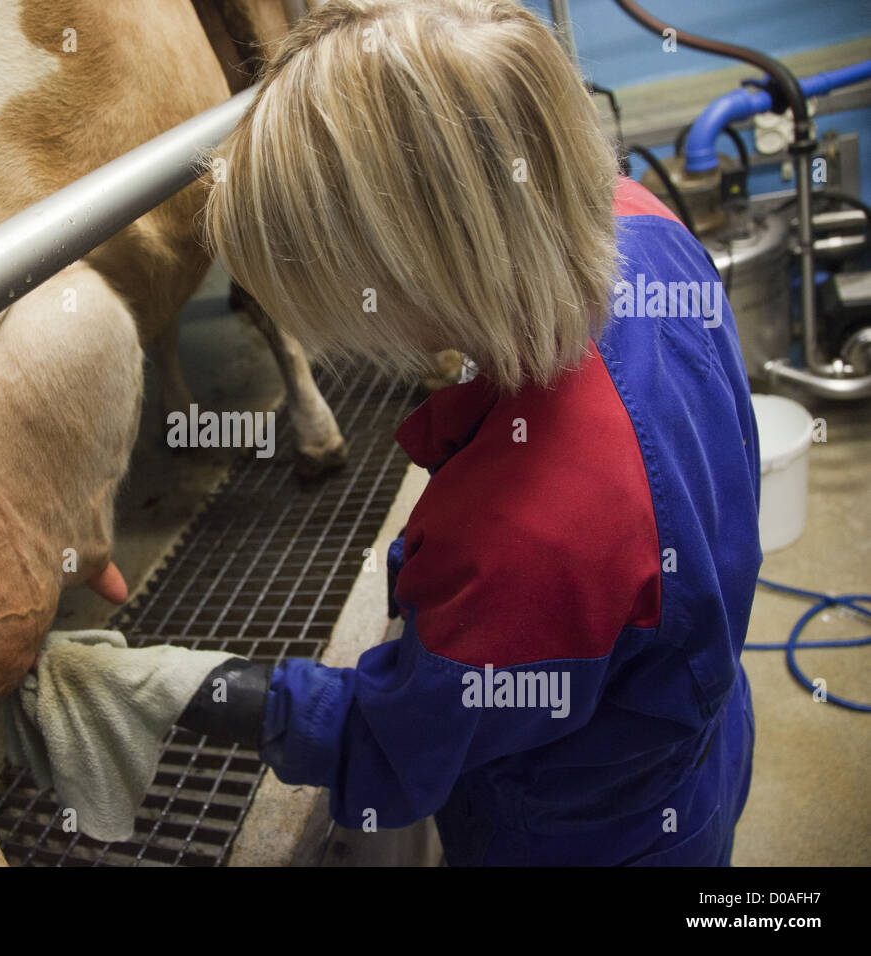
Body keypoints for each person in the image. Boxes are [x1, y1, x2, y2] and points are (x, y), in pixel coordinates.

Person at [175, 0, 761, 866]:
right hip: (692, 749)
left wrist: (201, 692)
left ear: (415, 273)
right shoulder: (642, 222)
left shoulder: (519, 538)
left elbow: (397, 743)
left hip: (576, 832)